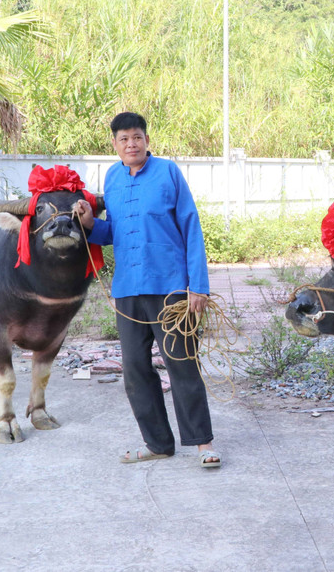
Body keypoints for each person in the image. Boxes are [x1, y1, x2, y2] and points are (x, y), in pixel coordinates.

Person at [76, 111, 220, 468]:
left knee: (182, 364)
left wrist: (197, 286)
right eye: (123, 139)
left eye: (137, 137)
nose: (131, 144)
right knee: (135, 369)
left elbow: (191, 226)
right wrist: (90, 223)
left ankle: (203, 443)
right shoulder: (112, 178)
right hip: (128, 292)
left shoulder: (168, 172)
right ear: (114, 144)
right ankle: (158, 443)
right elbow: (114, 233)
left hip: (170, 289)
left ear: (147, 140)